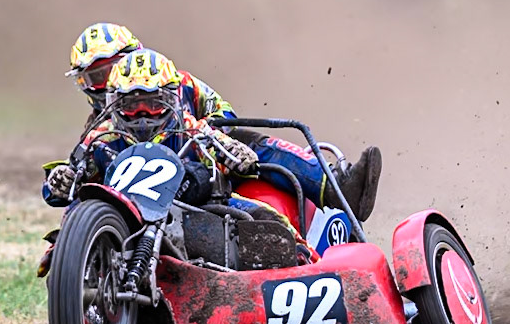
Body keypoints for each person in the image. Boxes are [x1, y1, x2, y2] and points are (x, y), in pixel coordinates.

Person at [56, 28, 382, 221]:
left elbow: (224, 111)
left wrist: (218, 141)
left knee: (252, 140)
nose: (103, 84)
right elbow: (77, 173)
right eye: (93, 78)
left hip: (200, 161)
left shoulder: (180, 82)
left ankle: (337, 188)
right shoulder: (98, 127)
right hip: (135, 199)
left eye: (108, 71)